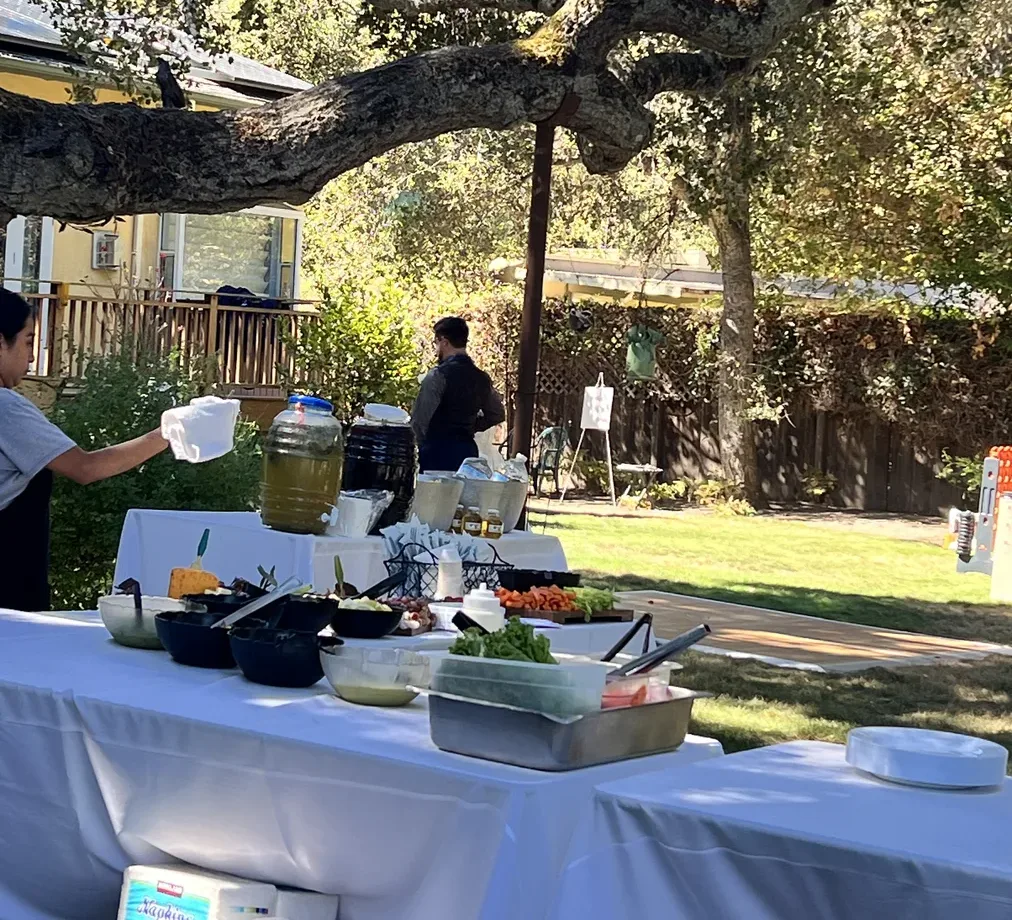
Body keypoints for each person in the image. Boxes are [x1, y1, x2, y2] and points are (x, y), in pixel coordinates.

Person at [0, 288, 170, 612]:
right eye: (27, 341)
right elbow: (86, 467)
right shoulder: (5, 406)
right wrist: (170, 433)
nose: (32, 357)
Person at [411, 316, 506, 473]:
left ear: (444, 341)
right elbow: (497, 414)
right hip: (466, 455)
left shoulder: (437, 376)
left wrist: (414, 450)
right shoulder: (481, 378)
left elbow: (419, 422)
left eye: (436, 343)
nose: (436, 349)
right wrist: (470, 426)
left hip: (435, 455)